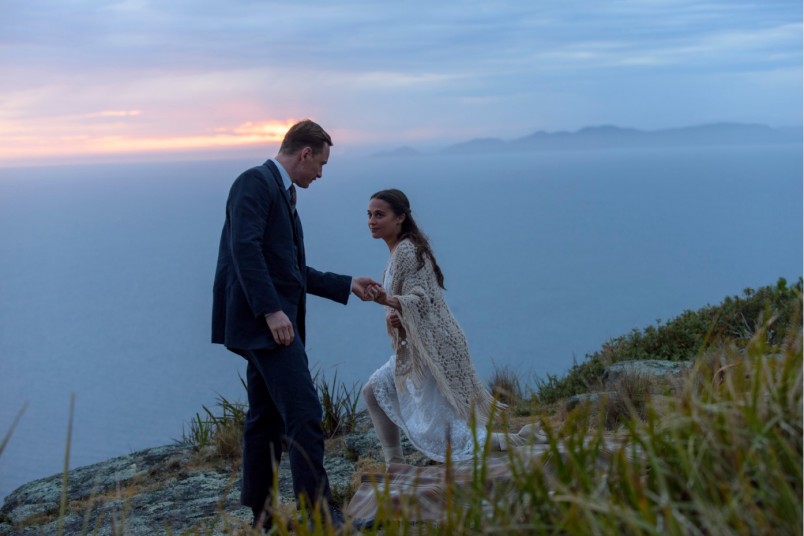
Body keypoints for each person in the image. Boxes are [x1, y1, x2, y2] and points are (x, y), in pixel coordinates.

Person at [211, 119, 380, 531]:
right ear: (304, 154)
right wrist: (271, 311)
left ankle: (262, 515)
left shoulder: (279, 192)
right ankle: (321, 517)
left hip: (265, 324)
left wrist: (345, 284)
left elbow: (288, 270)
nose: (320, 174)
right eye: (320, 164)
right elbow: (244, 249)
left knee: (264, 419)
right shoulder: (254, 183)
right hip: (266, 325)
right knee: (305, 414)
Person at [363, 189, 538, 468]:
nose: (372, 220)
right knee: (378, 392)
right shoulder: (399, 250)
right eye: (369, 215)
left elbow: (422, 299)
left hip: (434, 345)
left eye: (379, 214)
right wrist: (395, 313)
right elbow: (417, 300)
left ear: (400, 218)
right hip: (425, 345)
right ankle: (394, 462)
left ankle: (510, 441)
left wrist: (389, 301)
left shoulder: (407, 251)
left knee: (450, 432)